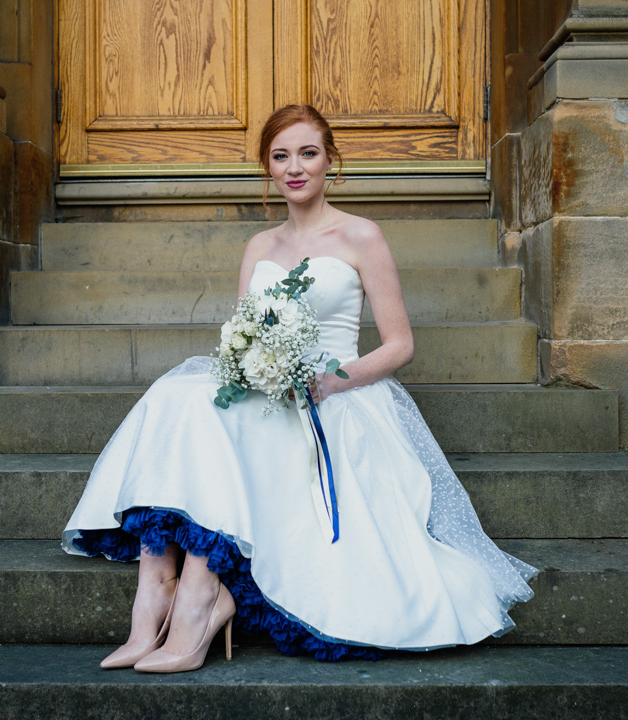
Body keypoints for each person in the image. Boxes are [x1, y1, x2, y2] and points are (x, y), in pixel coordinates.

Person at [62, 104, 537, 673]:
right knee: (177, 395)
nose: (295, 167)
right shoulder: (259, 247)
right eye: (281, 156)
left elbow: (399, 345)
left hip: (333, 392)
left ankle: (198, 598)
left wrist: (329, 382)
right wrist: (249, 368)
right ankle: (156, 593)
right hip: (265, 386)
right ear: (267, 166)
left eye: (308, 154)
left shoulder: (362, 236)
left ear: (330, 161)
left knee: (234, 423)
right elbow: (241, 335)